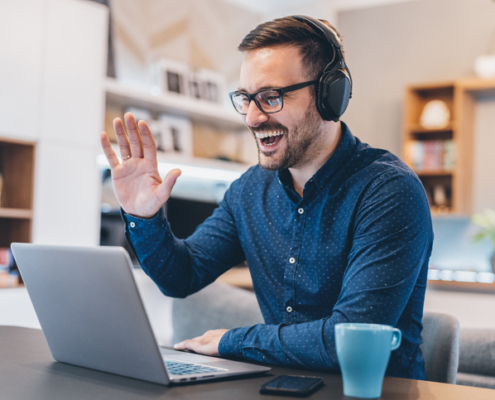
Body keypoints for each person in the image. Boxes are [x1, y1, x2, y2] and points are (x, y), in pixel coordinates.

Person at [100, 16, 433, 380]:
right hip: (280, 386)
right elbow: (181, 277)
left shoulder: (389, 192)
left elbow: (349, 338)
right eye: (245, 99)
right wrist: (143, 216)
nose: (253, 118)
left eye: (271, 98)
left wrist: (232, 341)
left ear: (329, 96)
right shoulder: (249, 190)